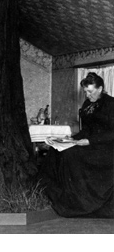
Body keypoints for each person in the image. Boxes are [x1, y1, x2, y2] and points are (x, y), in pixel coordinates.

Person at [42, 72, 114, 218]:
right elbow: (87, 129)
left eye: (90, 91)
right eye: (85, 92)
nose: (87, 95)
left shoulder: (111, 104)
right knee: (56, 151)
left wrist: (90, 141)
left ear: (100, 89)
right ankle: (54, 195)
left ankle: (78, 203)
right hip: (91, 144)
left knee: (71, 154)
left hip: (107, 148)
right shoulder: (87, 104)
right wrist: (71, 138)